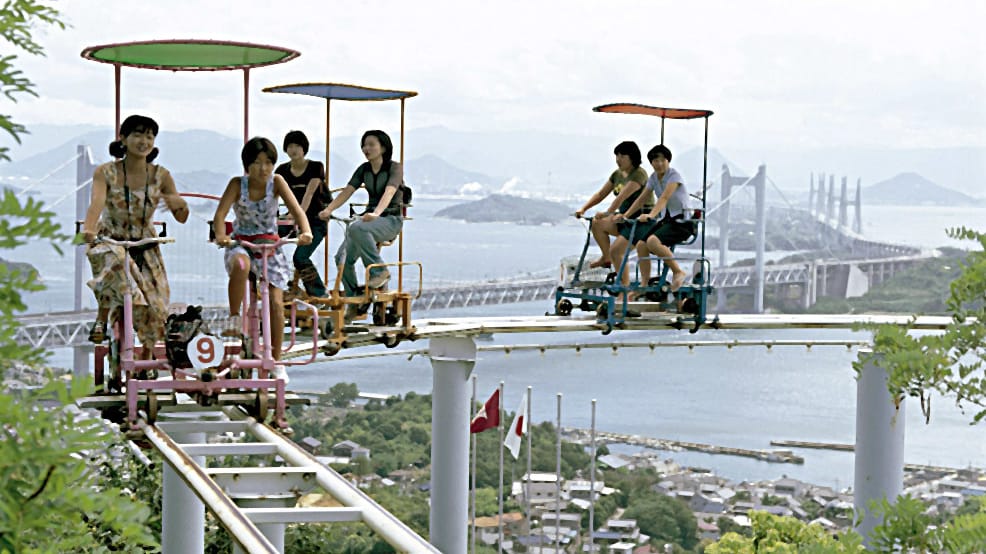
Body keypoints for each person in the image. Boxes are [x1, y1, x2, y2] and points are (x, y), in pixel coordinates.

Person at [82, 114, 189, 357]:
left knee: (158, 304)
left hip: (146, 244)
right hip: (111, 241)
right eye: (138, 134)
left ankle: (147, 357)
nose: (144, 141)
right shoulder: (105, 172)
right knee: (117, 262)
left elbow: (181, 216)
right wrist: (89, 229)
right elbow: (96, 203)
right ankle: (102, 317)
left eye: (149, 136)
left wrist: (179, 203)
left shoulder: (162, 175)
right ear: (123, 138)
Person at [213, 137, 312, 383]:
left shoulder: (277, 182)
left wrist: (305, 231)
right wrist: (222, 236)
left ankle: (276, 360)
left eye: (268, 163)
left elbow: (298, 211)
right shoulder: (237, 184)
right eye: (257, 163)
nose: (263, 169)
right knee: (240, 265)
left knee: (276, 304)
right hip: (242, 242)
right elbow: (220, 214)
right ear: (247, 165)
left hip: (270, 245)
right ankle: (235, 317)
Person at [318, 130, 404, 322]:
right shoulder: (363, 169)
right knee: (341, 258)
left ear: (383, 147)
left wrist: (376, 213)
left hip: (390, 220)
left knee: (356, 227)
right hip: (368, 221)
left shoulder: (394, 168)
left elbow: (389, 192)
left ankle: (379, 271)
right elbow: (348, 191)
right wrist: (328, 209)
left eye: (372, 144)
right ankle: (355, 299)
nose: (367, 148)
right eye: (364, 144)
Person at [610, 144, 694, 296]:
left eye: (663, 160)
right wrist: (626, 215)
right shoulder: (654, 178)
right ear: (651, 163)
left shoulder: (674, 176)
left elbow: (664, 197)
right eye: (655, 161)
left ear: (668, 161)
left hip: (683, 222)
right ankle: (644, 284)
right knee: (642, 244)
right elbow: (642, 198)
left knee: (653, 241)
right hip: (668, 220)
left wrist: (651, 215)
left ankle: (678, 271)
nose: (659, 164)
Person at [574, 141, 653, 268]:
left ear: (632, 158)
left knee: (617, 251)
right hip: (623, 216)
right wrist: (584, 208)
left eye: (622, 156)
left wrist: (608, 212)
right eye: (617, 156)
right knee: (596, 223)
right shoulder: (617, 174)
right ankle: (606, 258)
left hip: (639, 218)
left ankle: (622, 282)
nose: (618, 160)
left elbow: (622, 196)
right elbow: (601, 194)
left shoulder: (639, 174)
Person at [275, 130, 331, 297]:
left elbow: (309, 194)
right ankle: (281, 285)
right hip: (292, 220)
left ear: (304, 148)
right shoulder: (282, 170)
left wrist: (295, 216)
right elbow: (274, 194)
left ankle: (319, 294)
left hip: (315, 220)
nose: (293, 150)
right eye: (290, 146)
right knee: (264, 241)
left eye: (297, 146)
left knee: (300, 257)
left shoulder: (315, 167)